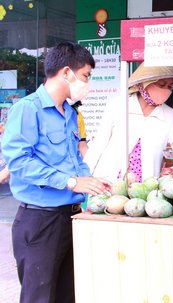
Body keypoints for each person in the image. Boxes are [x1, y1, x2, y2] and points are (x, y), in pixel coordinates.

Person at [1, 42, 112, 303]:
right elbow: (19, 163)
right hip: (40, 222)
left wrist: (93, 183)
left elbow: (75, 162)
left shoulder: (70, 115)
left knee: (68, 295)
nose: (87, 83)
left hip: (71, 218)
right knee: (39, 297)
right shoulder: (27, 109)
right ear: (66, 72)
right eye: (85, 75)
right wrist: (71, 182)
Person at [83, 63, 173, 182]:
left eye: (169, 86)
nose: (166, 90)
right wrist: (84, 179)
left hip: (145, 190)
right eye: (161, 85)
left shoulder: (169, 114)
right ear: (143, 85)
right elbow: (98, 146)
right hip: (108, 182)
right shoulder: (118, 105)